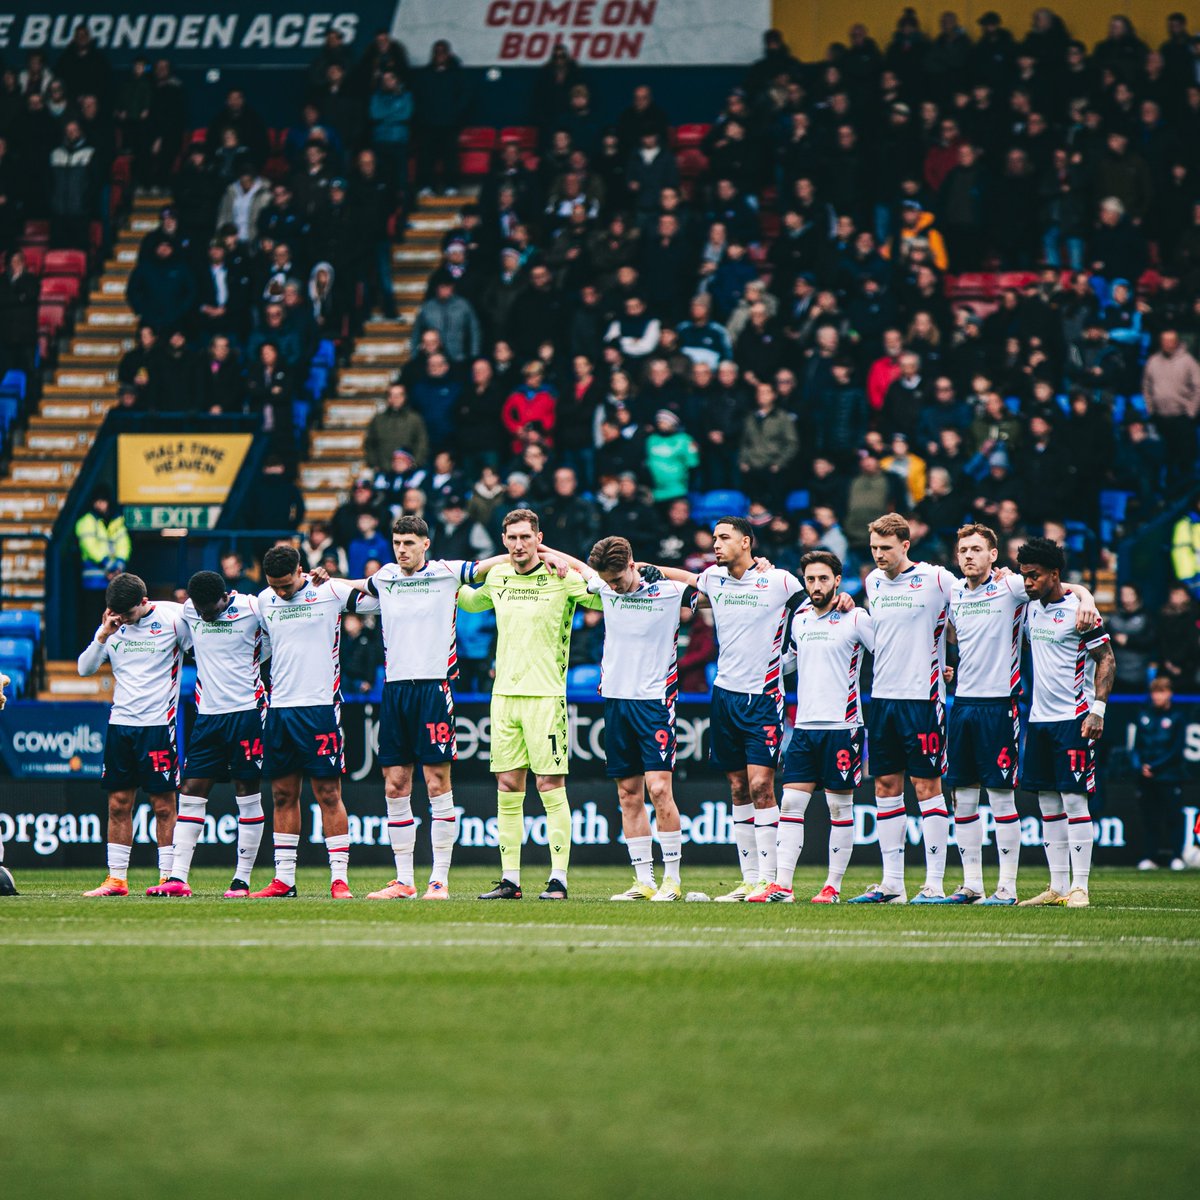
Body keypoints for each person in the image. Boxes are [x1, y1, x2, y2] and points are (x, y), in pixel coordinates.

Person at [653, 517, 847, 900]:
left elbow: (817, 605)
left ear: (746, 542)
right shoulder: (714, 578)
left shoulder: (779, 581)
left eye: (724, 538)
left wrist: (843, 600)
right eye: (714, 537)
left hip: (764, 697)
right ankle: (749, 878)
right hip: (724, 696)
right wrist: (647, 569)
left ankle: (770, 879)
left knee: (761, 785)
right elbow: (685, 579)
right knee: (738, 787)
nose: (716, 544)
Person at [341, 516, 507, 899]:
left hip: (434, 688)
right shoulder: (385, 577)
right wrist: (316, 580)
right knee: (395, 784)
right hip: (394, 690)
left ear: (425, 544)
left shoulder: (446, 573)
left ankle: (439, 879)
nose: (402, 550)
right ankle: (404, 880)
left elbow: (488, 565)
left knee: (436, 783)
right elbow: (354, 586)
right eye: (397, 543)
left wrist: (538, 555)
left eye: (409, 543)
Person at [942, 524, 1097, 905]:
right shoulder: (953, 591)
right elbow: (949, 633)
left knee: (1000, 798)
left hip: (999, 706)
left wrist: (1087, 597)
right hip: (961, 705)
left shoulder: (1012, 587)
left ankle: (1006, 888)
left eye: (976, 549)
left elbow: (1056, 585)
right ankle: (971, 885)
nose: (968, 556)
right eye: (963, 550)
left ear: (993, 555)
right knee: (963, 799)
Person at [457, 509, 603, 900]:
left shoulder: (562, 578)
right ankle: (511, 880)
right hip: (504, 696)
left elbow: (601, 591)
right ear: (503, 540)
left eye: (526, 537)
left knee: (550, 784)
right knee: (507, 785)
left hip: (546, 697)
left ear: (539, 538)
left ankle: (559, 879)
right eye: (512, 538)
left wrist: (557, 556)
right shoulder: (498, 577)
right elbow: (465, 598)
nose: (519, 545)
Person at [542, 536, 694, 902]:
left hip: (655, 702)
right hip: (615, 701)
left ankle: (672, 881)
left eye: (618, 579)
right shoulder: (606, 585)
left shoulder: (669, 591)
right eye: (607, 581)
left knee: (659, 789)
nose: (612, 587)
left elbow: (708, 585)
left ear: (631, 565)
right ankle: (644, 882)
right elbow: (579, 566)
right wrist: (543, 553)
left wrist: (659, 570)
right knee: (628, 794)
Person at [249, 546, 379, 899]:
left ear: (300, 571)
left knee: (328, 793)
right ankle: (284, 879)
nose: (280, 592)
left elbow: (381, 601)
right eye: (274, 586)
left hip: (320, 707)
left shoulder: (329, 590)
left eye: (286, 585)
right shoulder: (264, 600)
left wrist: (341, 579)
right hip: (279, 709)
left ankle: (339, 879)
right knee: (282, 794)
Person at [751, 551, 874, 904]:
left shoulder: (856, 617)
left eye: (823, 579)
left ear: (837, 580)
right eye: (810, 579)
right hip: (804, 727)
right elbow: (790, 661)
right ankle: (783, 886)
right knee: (790, 803)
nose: (816, 585)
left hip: (843, 725)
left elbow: (887, 652)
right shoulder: (800, 618)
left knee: (840, 808)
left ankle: (832, 887)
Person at [849, 514, 957, 905]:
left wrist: (947, 660)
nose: (879, 555)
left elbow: (971, 607)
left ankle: (934, 884)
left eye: (886, 548)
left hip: (923, 699)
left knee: (926, 787)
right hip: (882, 698)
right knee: (884, 786)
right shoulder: (872, 583)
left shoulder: (937, 578)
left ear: (905, 545)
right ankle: (892, 884)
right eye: (874, 548)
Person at [146, 571, 271, 898]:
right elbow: (158, 609)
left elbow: (276, 637)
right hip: (208, 716)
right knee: (191, 790)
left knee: (247, 793)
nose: (205, 616)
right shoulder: (191, 610)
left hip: (247, 713)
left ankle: (241, 880)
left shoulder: (252, 607)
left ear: (225, 596)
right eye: (200, 610)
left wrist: (257, 655)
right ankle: (177, 877)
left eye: (211, 610)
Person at [1016, 537, 1116, 909]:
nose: (1028, 583)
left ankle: (1080, 887)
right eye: (1024, 576)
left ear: (1054, 574)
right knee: (1047, 804)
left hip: (1074, 718)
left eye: (1035, 575)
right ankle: (1057, 885)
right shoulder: (1030, 610)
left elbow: (1106, 659)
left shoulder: (1080, 611)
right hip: (1039, 719)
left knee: (1075, 801)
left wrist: (1098, 710)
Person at [77, 574, 192, 896]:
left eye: (128, 613)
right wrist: (103, 634)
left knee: (164, 806)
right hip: (121, 725)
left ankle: (169, 878)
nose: (123, 619)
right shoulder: (113, 626)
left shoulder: (173, 618)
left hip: (158, 726)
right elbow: (85, 669)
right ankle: (116, 879)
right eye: (118, 613)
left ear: (144, 602)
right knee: (118, 804)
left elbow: (202, 651)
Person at [1132, 677, 1190, 871]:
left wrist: (1155, 767)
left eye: (1162, 692)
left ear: (1170, 693)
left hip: (1169, 776)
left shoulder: (1177, 717)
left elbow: (1176, 750)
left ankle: (1176, 856)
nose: (1158, 696)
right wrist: (1140, 766)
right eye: (1155, 692)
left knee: (1173, 818)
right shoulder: (1144, 715)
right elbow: (1136, 746)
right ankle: (1150, 857)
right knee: (1150, 819)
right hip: (1146, 778)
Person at [75, 488, 130, 591]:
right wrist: (108, 564)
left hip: (113, 580)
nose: (99, 504)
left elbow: (124, 545)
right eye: (97, 501)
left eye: (103, 501)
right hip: (94, 581)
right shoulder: (87, 521)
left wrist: (119, 564)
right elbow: (89, 546)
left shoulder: (117, 521)